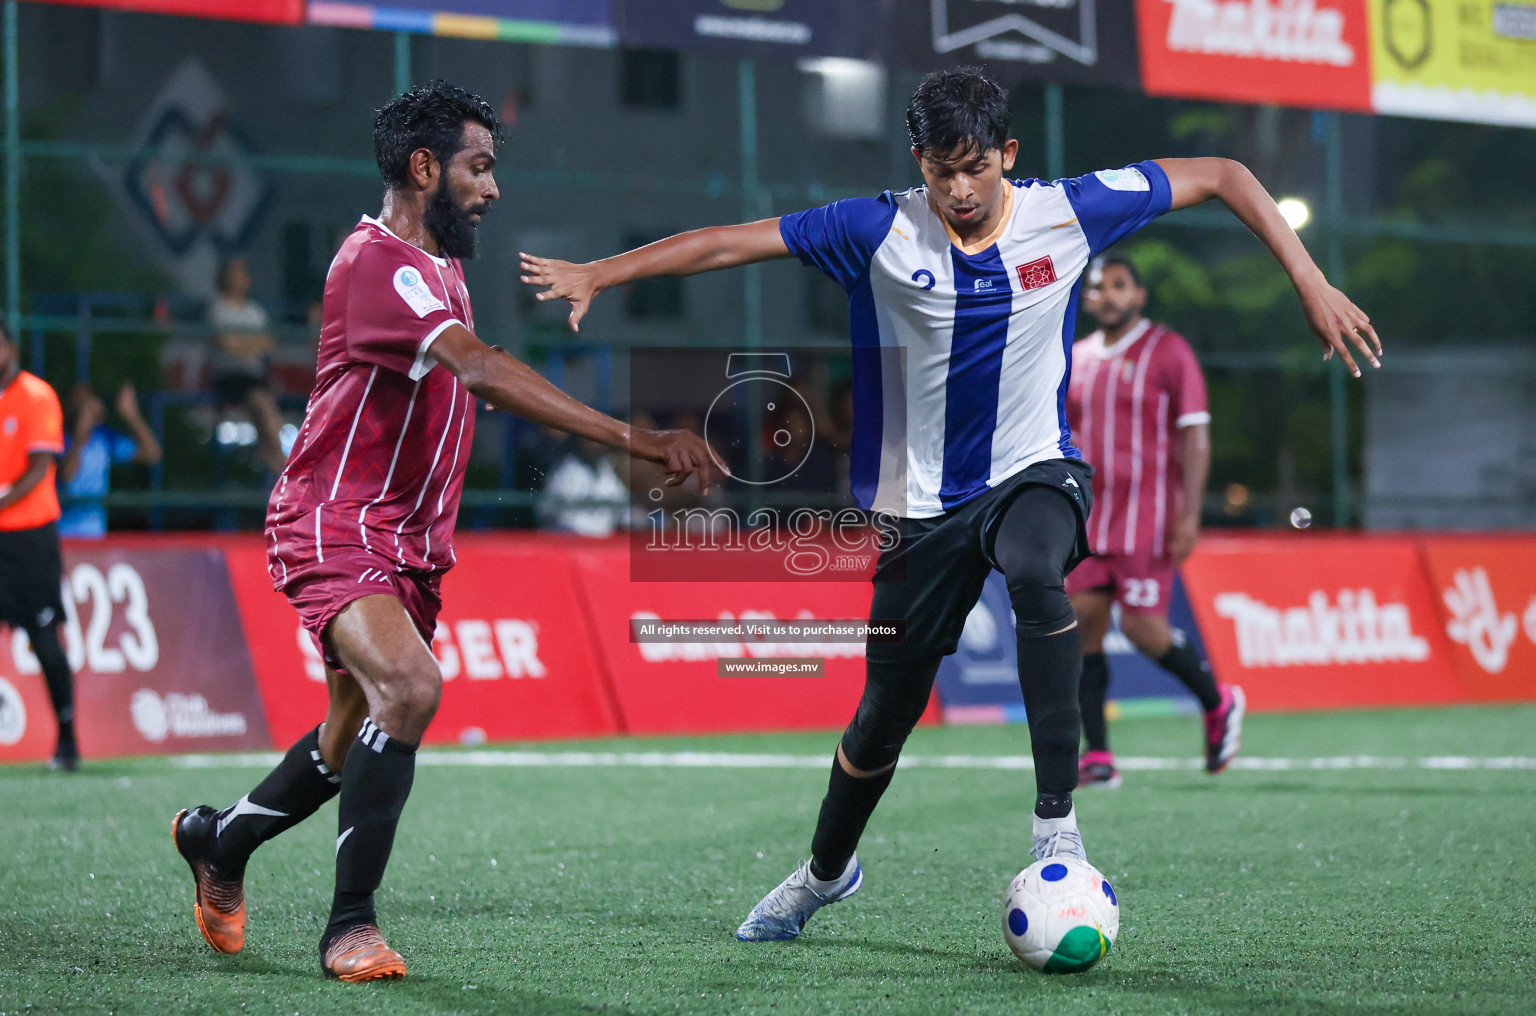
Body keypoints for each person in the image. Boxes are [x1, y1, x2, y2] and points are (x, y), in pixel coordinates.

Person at [520, 67, 1381, 942]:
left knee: (1042, 575)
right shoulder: (873, 228)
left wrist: (1310, 282)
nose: (960, 191)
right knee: (878, 725)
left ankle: (1059, 833)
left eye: (975, 168)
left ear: (1008, 154)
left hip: (1034, 468)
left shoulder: (1071, 210)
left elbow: (1226, 175)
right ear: (918, 164)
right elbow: (726, 243)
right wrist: (603, 271)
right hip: (917, 509)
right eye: (941, 172)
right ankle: (825, 873)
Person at [170, 82, 715, 983]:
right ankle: (350, 926)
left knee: (350, 732)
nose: (493, 188)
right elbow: (485, 373)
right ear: (425, 169)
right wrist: (639, 438)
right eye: (479, 167)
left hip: (407, 544)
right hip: (334, 524)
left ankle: (217, 843)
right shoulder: (379, 264)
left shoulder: (440, 264)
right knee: (413, 689)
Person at [1066, 253, 1242, 788]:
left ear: (1138, 295)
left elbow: (1195, 434)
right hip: (1089, 517)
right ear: (1089, 298)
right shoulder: (1074, 357)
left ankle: (1218, 702)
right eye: (1099, 288)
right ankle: (1098, 756)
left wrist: (1190, 513)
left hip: (1149, 517)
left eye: (1120, 285)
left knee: (1143, 629)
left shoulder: (1168, 351)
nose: (1109, 295)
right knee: (1081, 627)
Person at [0, 324, 80, 770]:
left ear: (9, 346)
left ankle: (67, 738)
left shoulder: (36, 395)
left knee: (44, 637)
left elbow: (39, 470)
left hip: (29, 537)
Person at [208, 257, 288, 473]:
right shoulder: (218, 309)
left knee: (267, 416)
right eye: (234, 272)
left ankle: (282, 472)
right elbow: (227, 343)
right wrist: (250, 344)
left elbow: (269, 342)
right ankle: (287, 471)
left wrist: (242, 343)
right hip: (230, 376)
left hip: (254, 376)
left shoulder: (255, 311)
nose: (238, 277)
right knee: (263, 406)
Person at [59, 382, 163, 539]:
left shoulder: (103, 438)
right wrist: (80, 437)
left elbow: (152, 454)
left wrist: (131, 416)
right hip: (63, 534)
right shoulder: (57, 438)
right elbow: (67, 475)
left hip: (95, 534)